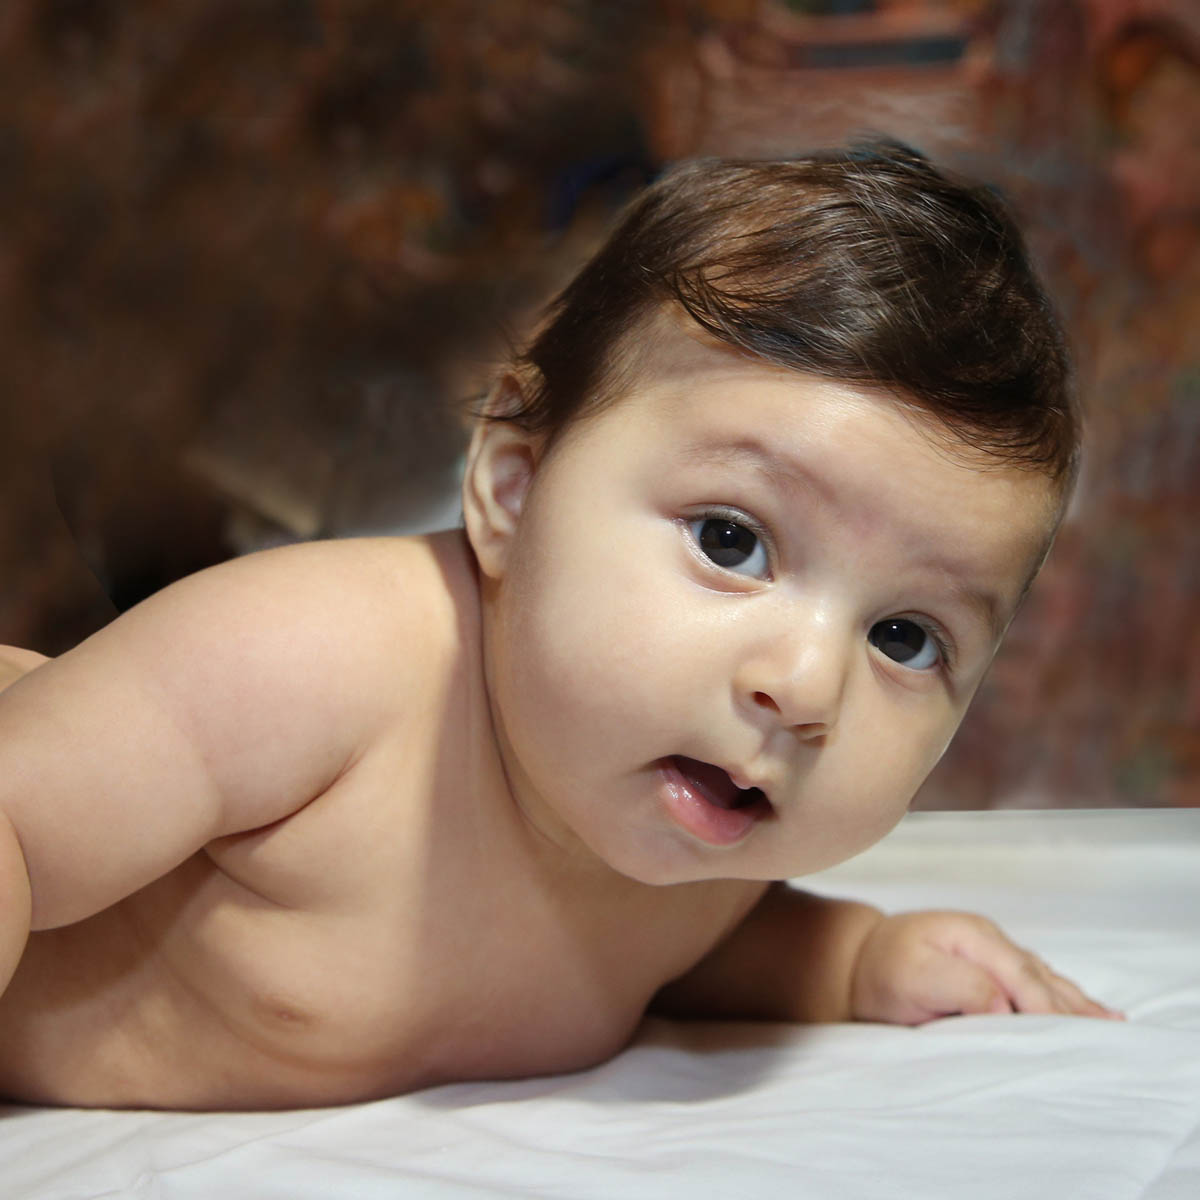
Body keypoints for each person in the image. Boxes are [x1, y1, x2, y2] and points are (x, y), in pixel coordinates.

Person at [0, 142, 1121, 1113]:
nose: (805, 685)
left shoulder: (693, 830)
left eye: (905, 638)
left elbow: (681, 947)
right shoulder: (308, 661)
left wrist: (858, 959)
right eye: (731, 541)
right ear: (515, 487)